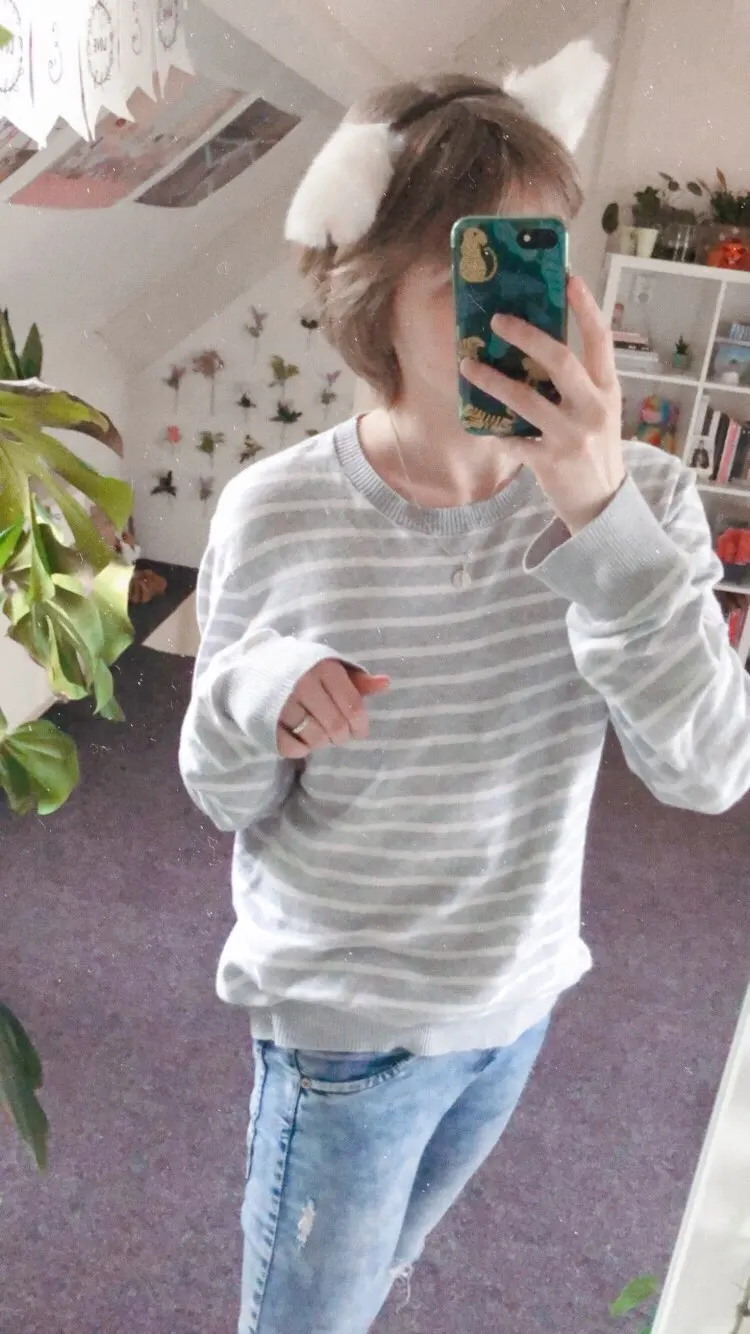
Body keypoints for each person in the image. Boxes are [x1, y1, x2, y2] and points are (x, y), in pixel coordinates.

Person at [178, 39, 750, 1334]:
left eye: (536, 256)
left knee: (373, 1276)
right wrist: (262, 695)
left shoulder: (642, 498)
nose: (522, 309)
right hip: (342, 1030)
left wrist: (596, 507)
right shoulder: (273, 511)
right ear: (372, 295)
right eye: (468, 274)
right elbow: (218, 789)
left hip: (514, 1006)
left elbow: (711, 773)